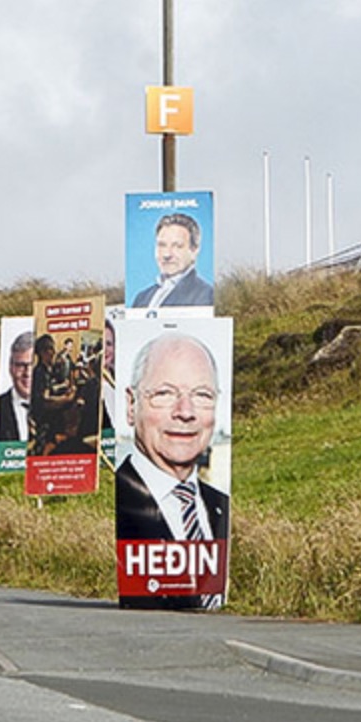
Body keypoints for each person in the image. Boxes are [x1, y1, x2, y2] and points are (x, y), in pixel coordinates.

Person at [116, 331, 229, 609]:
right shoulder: (118, 503)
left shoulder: (222, 506)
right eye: (165, 394)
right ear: (131, 406)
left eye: (202, 395)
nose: (185, 412)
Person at [131, 212, 215, 309]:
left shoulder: (206, 296)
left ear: (194, 250)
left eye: (177, 246)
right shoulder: (142, 298)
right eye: (162, 245)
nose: (167, 254)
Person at [0, 330, 35, 443]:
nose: (27, 373)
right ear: (10, 368)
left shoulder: (55, 410)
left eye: (32, 365)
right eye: (21, 365)